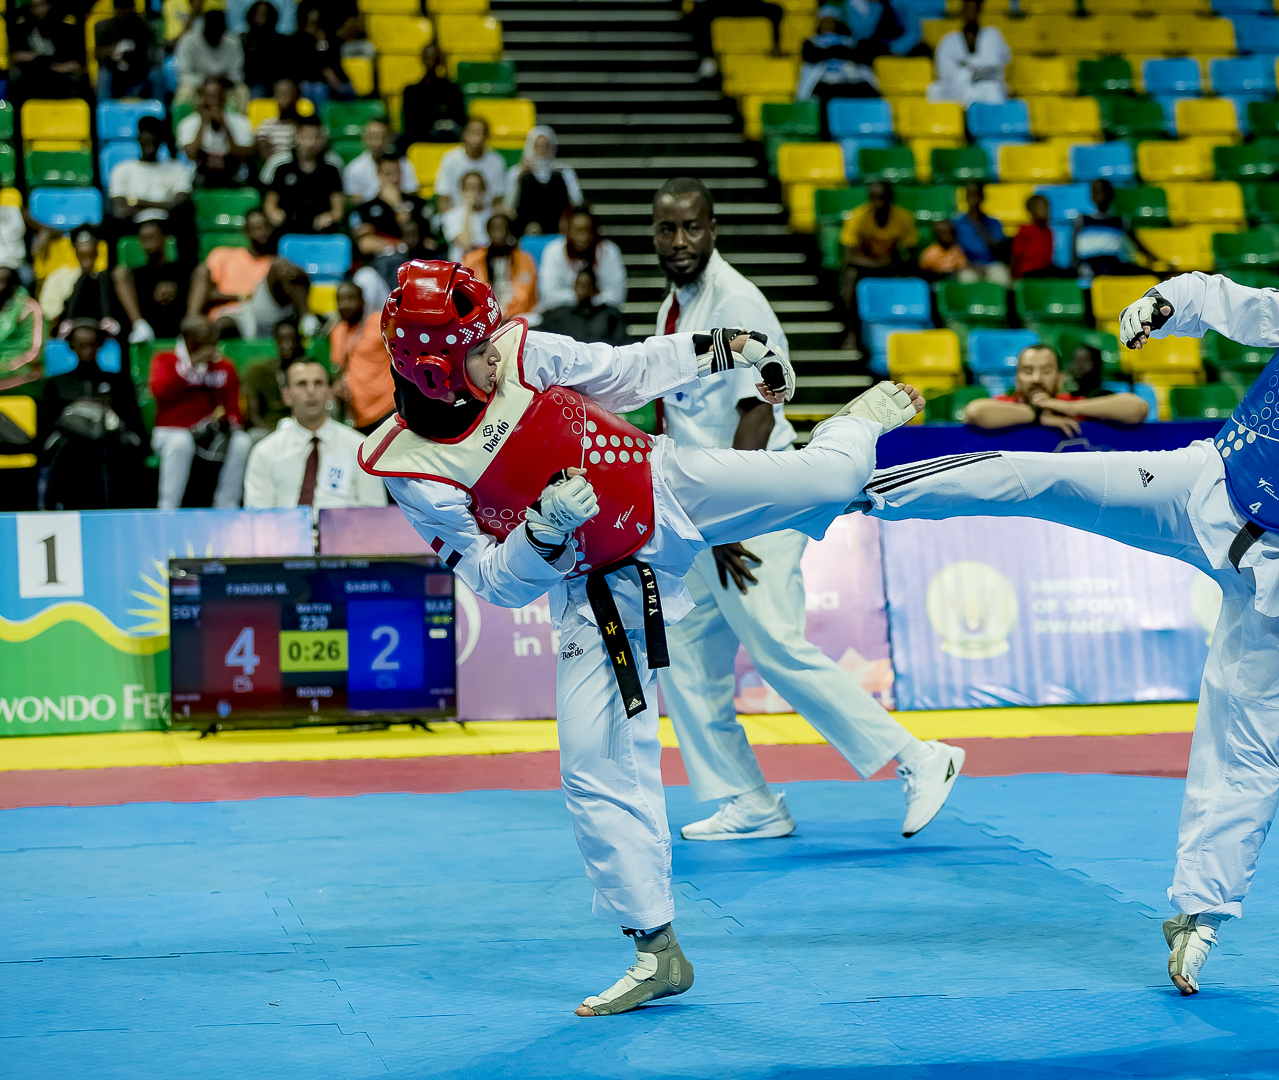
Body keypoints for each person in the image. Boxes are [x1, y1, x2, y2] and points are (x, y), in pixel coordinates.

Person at [857, 201, 1279, 997]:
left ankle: (1202, 916)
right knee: (1046, 476)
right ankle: (862, 493)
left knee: (1247, 748)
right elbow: (1228, 301)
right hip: (1202, 487)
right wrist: (1166, 302)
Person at [357, 256, 925, 1017]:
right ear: (432, 372)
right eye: (477, 348)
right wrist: (539, 531)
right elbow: (494, 583)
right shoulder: (410, 466)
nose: (497, 351)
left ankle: (860, 421)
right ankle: (657, 950)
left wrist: (724, 345)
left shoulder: (523, 353)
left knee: (824, 483)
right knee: (591, 767)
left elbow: (624, 373)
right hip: (593, 586)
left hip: (665, 486)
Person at [650, 176, 966, 842]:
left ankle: (920, 758)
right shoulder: (674, 304)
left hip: (755, 499)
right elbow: (675, 405)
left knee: (779, 650)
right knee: (682, 652)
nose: (679, 241)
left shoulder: (737, 301)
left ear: (714, 229)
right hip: (705, 513)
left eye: (692, 228)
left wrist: (725, 516)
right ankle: (751, 801)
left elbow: (759, 411)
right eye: (667, 229)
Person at [244, 353, 387, 508]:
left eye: (318, 383)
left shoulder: (360, 448)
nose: (311, 391)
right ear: (286, 396)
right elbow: (257, 519)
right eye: (301, 384)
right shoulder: (265, 452)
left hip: (346, 529)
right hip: (285, 529)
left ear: (329, 392)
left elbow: (375, 515)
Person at [38, 319, 147, 510]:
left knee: (121, 450)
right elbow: (47, 426)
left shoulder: (118, 382)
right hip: (72, 449)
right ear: (72, 347)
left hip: (110, 446)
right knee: (66, 447)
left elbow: (134, 424)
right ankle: (53, 509)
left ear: (100, 345)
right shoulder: (57, 384)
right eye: (81, 345)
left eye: (92, 344)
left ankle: (127, 508)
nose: (87, 350)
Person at [149, 316, 254, 508]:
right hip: (172, 431)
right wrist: (189, 368)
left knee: (242, 442)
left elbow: (235, 407)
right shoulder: (165, 360)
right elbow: (160, 392)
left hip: (211, 434)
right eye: (206, 334)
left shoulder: (223, 366)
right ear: (189, 338)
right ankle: (167, 509)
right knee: (181, 442)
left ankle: (226, 505)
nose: (213, 339)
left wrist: (227, 420)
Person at [962, 343, 1149, 435]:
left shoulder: (1069, 405)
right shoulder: (1006, 406)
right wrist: (1037, 415)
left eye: (1046, 371)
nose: (1037, 378)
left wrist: (1071, 409)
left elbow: (1138, 408)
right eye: (1028, 371)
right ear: (1017, 380)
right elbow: (975, 413)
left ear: (1060, 379)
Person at [188, 208, 315, 339]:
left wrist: (300, 273)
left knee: (286, 269)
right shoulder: (221, 255)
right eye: (256, 228)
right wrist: (243, 296)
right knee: (221, 323)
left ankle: (308, 322)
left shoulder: (275, 264)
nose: (262, 233)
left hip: (260, 312)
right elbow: (207, 294)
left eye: (266, 227)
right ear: (246, 231)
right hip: (227, 313)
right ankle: (189, 329)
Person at [839, 180, 917, 350]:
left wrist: (899, 262)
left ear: (890, 199)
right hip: (865, 267)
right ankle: (851, 333)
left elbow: (910, 252)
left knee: (915, 279)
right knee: (848, 282)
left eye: (883, 198)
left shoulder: (903, 217)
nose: (879, 203)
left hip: (891, 266)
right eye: (874, 198)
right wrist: (876, 264)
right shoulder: (857, 217)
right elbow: (849, 256)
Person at [108, 117, 196, 255]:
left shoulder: (177, 169)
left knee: (186, 222)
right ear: (138, 139)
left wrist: (139, 202)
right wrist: (164, 205)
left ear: (161, 140)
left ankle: (185, 273)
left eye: (154, 137)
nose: (150, 141)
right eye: (146, 137)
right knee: (112, 225)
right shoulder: (122, 170)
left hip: (167, 225)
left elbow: (180, 205)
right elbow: (120, 210)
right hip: (134, 224)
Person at [327, 280, 393, 432]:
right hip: (357, 417)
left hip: (387, 408)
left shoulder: (380, 323)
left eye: (351, 299)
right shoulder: (337, 331)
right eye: (341, 300)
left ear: (363, 301)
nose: (345, 304)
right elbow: (338, 368)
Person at [262, 119, 346, 236]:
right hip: (289, 225)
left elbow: (338, 210)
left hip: (321, 227)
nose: (311, 143)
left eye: (316, 138)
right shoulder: (282, 169)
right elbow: (270, 204)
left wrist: (330, 217)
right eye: (306, 137)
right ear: (296, 138)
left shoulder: (331, 171)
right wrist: (275, 215)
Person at [538, 206, 627, 312]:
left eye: (587, 230)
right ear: (568, 231)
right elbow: (549, 296)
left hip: (599, 312)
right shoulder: (553, 251)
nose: (583, 237)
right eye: (578, 231)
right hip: (564, 312)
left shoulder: (609, 251)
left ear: (594, 231)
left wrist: (590, 298)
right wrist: (579, 296)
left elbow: (617, 296)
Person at [40, 227, 124, 338]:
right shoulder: (60, 278)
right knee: (83, 279)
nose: (87, 261)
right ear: (75, 252)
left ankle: (107, 320)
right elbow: (50, 316)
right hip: (75, 327)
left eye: (90, 255)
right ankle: (69, 322)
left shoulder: (105, 279)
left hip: (100, 327)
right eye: (82, 255)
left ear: (97, 252)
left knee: (99, 277)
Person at [116, 221, 192, 344]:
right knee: (119, 273)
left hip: (178, 318)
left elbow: (188, 288)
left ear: (164, 238)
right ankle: (139, 326)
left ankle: (189, 328)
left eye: (152, 237)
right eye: (144, 239)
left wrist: (175, 289)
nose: (148, 243)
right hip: (149, 321)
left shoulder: (180, 269)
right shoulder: (137, 273)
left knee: (202, 271)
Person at [926, 0, 1010, 106]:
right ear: (962, 10)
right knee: (935, 89)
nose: (970, 13)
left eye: (973, 9)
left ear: (979, 11)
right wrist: (974, 69)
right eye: (967, 9)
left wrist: (964, 66)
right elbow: (945, 71)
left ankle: (990, 121)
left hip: (986, 87)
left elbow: (994, 65)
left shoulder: (992, 35)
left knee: (992, 89)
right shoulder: (949, 40)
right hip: (958, 89)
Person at [177, 77, 256, 188]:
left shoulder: (241, 122)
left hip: (233, 178)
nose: (214, 101)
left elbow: (243, 155)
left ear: (224, 97)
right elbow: (191, 155)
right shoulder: (188, 123)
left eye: (218, 95)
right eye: (209, 96)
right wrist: (203, 124)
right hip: (200, 180)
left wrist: (224, 125)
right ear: (201, 97)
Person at [7, 0, 90, 105]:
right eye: (34, 7)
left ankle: (76, 114)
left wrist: (62, 66)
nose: (38, 11)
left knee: (78, 79)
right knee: (16, 76)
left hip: (60, 73)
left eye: (41, 5)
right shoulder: (23, 28)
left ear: (50, 5)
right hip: (32, 72)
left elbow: (77, 62)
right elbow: (16, 55)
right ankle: (19, 118)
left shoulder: (67, 29)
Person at [505, 125, 583, 237]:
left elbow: (577, 201)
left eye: (545, 146)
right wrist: (519, 178)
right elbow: (508, 207)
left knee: (556, 178)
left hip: (557, 223)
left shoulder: (564, 171)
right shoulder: (516, 172)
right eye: (537, 146)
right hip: (527, 226)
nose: (542, 150)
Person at [796, 13, 882, 112]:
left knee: (869, 93)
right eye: (825, 21)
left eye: (831, 21)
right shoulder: (811, 41)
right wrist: (839, 50)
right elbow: (811, 56)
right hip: (825, 84)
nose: (828, 25)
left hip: (850, 83)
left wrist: (831, 51)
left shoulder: (851, 41)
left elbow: (862, 57)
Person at [464, 212, 539, 322]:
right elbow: (470, 295)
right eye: (494, 228)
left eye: (503, 228)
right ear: (488, 232)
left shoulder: (525, 259)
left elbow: (524, 296)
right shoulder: (473, 260)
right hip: (485, 315)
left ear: (509, 231)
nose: (499, 232)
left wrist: (507, 315)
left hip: (518, 315)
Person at [351, 156, 433, 257]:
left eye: (397, 173)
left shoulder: (418, 204)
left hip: (411, 260)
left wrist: (398, 204)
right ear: (378, 175)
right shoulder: (365, 208)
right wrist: (396, 245)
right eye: (388, 174)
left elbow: (417, 239)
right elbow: (365, 243)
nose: (394, 179)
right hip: (378, 262)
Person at [539, 268, 630, 346]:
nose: (582, 290)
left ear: (594, 288)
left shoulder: (610, 316)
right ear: (574, 286)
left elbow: (621, 343)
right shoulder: (559, 315)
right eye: (579, 284)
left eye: (586, 285)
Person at [240, 320, 302, 434]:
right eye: (282, 339)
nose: (287, 344)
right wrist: (273, 437)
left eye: (292, 339)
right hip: (267, 430)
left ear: (298, 342)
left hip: (301, 429)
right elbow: (253, 415)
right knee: (254, 438)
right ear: (275, 341)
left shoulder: (307, 372)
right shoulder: (259, 371)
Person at [400, 42, 467, 148]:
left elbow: (460, 120)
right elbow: (409, 124)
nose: (430, 62)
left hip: (447, 137)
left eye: (434, 58)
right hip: (419, 138)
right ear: (422, 59)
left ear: (439, 61)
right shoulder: (411, 91)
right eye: (428, 57)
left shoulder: (451, 89)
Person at [1075, 178, 1144, 281]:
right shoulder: (1082, 220)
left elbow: (1138, 245)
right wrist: (1076, 268)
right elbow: (1073, 253)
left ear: (1111, 195)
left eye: (1104, 191)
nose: (1101, 195)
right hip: (1090, 266)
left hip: (1113, 265)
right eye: (1096, 191)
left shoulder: (1120, 221)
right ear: (1091, 195)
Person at [176, 9, 247, 108]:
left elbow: (237, 74)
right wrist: (204, 81)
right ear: (204, 26)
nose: (214, 29)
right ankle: (182, 123)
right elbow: (184, 74)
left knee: (242, 91)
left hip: (224, 86)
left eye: (218, 27)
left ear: (224, 29)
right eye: (211, 25)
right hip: (198, 86)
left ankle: (239, 123)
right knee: (184, 92)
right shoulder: (188, 41)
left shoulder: (233, 43)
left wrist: (222, 82)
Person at [433, 117, 506, 214]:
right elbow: (444, 200)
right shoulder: (450, 159)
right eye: (472, 132)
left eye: (480, 133)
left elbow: (497, 201)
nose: (475, 138)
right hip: (455, 216)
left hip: (486, 217)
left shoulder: (497, 161)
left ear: (486, 136)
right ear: (464, 134)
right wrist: (451, 221)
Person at [343, 118, 420, 203]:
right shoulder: (354, 169)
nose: (377, 142)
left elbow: (412, 194)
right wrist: (380, 195)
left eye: (381, 136)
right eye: (372, 136)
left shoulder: (404, 164)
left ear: (390, 138)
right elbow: (354, 202)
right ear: (364, 138)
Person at [288, 4, 351, 106]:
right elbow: (309, 64)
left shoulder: (330, 39)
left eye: (317, 23)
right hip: (310, 80)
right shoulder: (297, 39)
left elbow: (331, 61)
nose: (314, 27)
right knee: (318, 89)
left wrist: (321, 42)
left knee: (348, 89)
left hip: (331, 80)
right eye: (311, 23)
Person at [94, 0, 156, 101]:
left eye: (126, 7)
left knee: (156, 74)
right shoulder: (104, 27)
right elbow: (96, 53)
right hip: (114, 71)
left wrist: (133, 56)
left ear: (133, 8)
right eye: (120, 8)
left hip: (139, 71)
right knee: (104, 75)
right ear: (114, 8)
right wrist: (110, 52)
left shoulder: (144, 27)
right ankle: (103, 111)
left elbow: (151, 55)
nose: (123, 12)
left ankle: (158, 111)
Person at [0, 267, 46, 392]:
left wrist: (8, 367)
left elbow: (35, 352)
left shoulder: (29, 308)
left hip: (22, 377)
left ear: (13, 286)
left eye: (1, 282)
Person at [953, 181, 1009, 275]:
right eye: (970, 195)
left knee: (1001, 277)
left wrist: (977, 223)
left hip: (992, 264)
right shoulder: (957, 223)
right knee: (967, 279)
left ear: (983, 197)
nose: (973, 199)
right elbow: (955, 250)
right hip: (968, 265)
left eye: (976, 195)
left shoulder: (994, 223)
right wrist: (969, 265)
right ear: (965, 198)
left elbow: (997, 249)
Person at [1010, 193, 1065, 280]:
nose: (1046, 211)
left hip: (1046, 270)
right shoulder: (1024, 230)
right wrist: (1015, 276)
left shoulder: (1048, 232)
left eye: (1047, 207)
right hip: (1029, 271)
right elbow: (1016, 255)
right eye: (1041, 208)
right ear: (1031, 210)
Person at [441, 172, 493, 263]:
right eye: (469, 188)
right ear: (462, 191)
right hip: (461, 266)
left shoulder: (492, 216)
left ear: (484, 191)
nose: (474, 192)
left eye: (478, 187)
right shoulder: (451, 216)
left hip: (486, 265)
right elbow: (466, 243)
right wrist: (468, 207)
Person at [241, 0, 289, 98]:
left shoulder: (282, 40)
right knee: (257, 92)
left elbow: (285, 67)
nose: (261, 18)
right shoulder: (244, 40)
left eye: (265, 15)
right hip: (253, 84)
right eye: (257, 14)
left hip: (277, 82)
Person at [254, 79, 306, 161]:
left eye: (287, 94)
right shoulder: (266, 125)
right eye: (279, 94)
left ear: (297, 97)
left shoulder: (305, 125)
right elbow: (265, 155)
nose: (282, 99)